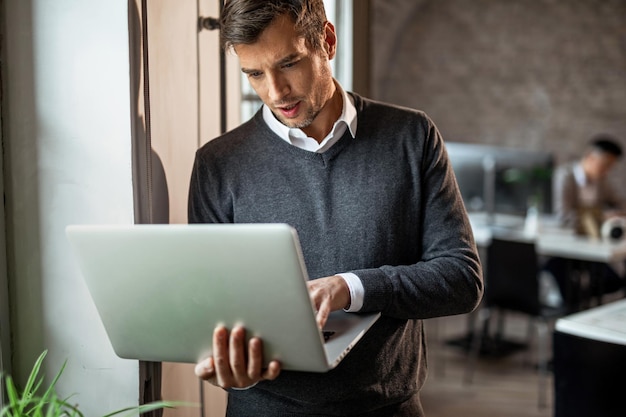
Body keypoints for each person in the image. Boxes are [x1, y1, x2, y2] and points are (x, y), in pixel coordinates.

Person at [188, 1, 483, 415]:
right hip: (263, 408)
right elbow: (210, 307)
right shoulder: (217, 163)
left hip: (387, 408)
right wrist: (230, 362)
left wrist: (349, 288)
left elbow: (461, 279)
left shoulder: (411, 137)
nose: (275, 92)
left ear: (326, 41)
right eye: (254, 73)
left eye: (288, 63)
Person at [546, 135, 626, 308]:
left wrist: (616, 212)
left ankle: (577, 303)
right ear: (590, 157)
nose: (606, 171)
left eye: (610, 167)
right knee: (567, 287)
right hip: (563, 250)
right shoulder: (565, 176)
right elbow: (563, 216)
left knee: (614, 281)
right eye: (605, 165)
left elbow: (620, 203)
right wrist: (602, 216)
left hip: (590, 249)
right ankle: (572, 305)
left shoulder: (602, 181)